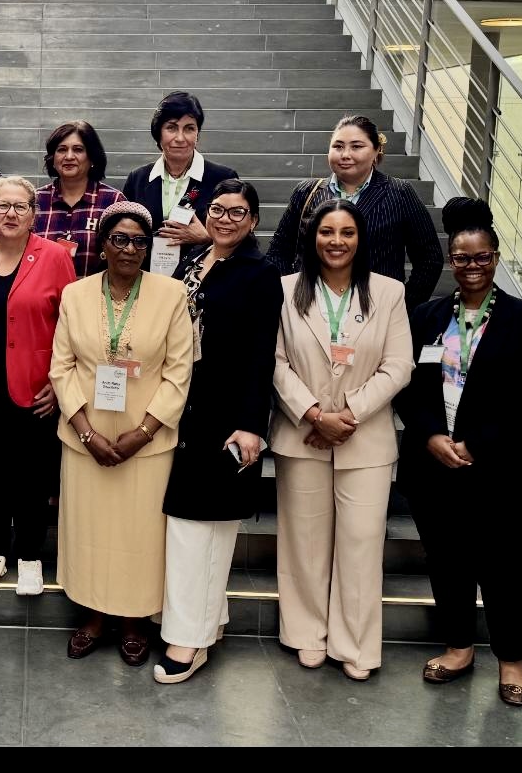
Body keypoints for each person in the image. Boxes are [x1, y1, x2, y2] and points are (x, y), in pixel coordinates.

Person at [395, 198, 522, 707]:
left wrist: (477, 442)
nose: (472, 266)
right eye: (462, 258)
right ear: (450, 260)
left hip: (508, 470)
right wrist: (430, 436)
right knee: (448, 561)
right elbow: (406, 386)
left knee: (507, 566)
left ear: (495, 258)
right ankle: (459, 648)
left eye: (482, 257)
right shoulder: (426, 317)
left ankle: (512, 660)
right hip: (435, 467)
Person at [271, 199, 414, 681]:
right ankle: (307, 634)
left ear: (361, 239)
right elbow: (274, 362)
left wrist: (348, 415)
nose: (336, 241)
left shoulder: (389, 292)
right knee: (305, 543)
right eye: (327, 232)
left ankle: (355, 644)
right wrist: (314, 414)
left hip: (364, 437)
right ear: (312, 238)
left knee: (361, 544)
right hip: (302, 434)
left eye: (347, 233)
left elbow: (399, 365)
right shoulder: (285, 290)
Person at [50, 202, 194, 666]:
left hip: (146, 445)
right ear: (102, 246)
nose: (129, 249)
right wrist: (86, 433)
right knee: (89, 532)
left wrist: (144, 432)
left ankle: (134, 621)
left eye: (138, 241)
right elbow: (62, 368)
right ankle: (93, 616)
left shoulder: (172, 294)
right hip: (84, 441)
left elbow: (178, 373)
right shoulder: (75, 294)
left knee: (139, 535)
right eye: (119, 239)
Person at [155, 180, 283, 684]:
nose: (226, 219)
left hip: (227, 418)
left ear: (254, 221)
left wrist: (251, 425)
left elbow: (261, 354)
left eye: (238, 212)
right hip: (186, 411)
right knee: (191, 528)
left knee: (201, 529)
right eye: (218, 209)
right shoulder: (193, 260)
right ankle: (212, 620)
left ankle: (189, 640)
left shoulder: (260, 273)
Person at [0, 177, 76, 596]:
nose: (10, 214)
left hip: (36, 388)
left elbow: (71, 325)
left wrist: (60, 383)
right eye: (2, 205)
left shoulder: (55, 257)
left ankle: (29, 555)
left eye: (20, 206)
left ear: (33, 213)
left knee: (32, 477)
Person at [266, 114, 443, 313]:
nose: (345, 154)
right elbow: (279, 251)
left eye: (356, 146)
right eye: (338, 146)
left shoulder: (399, 193)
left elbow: (430, 258)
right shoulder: (307, 192)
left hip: (374, 311)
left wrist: (402, 307)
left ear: (376, 150)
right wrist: (288, 298)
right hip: (311, 309)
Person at [123, 91, 237, 279]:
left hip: (201, 282)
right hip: (146, 280)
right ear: (158, 133)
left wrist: (207, 238)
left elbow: (241, 239)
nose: (180, 138)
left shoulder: (222, 178)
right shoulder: (138, 179)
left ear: (197, 134)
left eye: (189, 128)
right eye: (172, 127)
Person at [34, 121, 126, 279]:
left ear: (92, 157)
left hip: (95, 293)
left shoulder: (114, 201)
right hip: (43, 292)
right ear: (52, 158)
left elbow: (124, 255)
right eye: (62, 150)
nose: (69, 156)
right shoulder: (35, 201)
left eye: (78, 149)